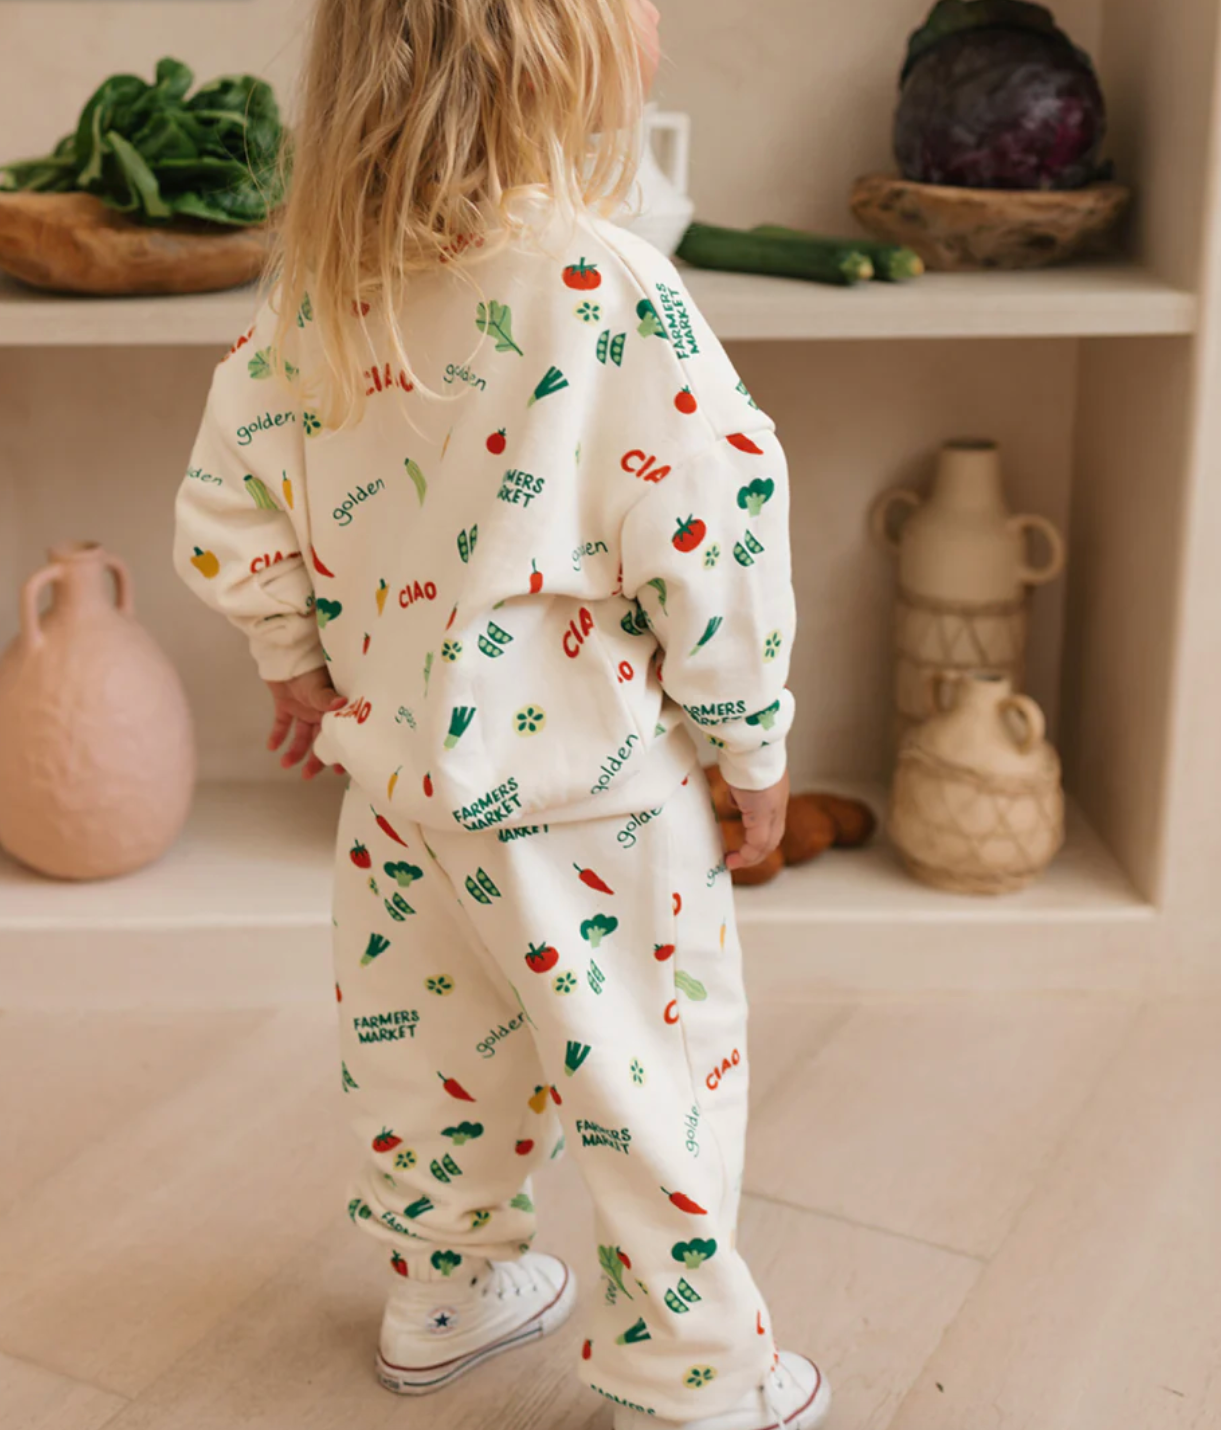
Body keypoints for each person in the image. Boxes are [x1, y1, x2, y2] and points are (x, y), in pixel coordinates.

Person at [172, 2, 828, 1426]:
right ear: (554, 51)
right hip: (597, 803)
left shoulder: (320, 286)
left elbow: (231, 493)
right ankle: (692, 1365)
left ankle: (442, 1294)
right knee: (647, 1073)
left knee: (426, 1061)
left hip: (400, 792)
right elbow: (715, 529)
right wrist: (750, 737)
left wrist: (290, 655)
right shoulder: (610, 287)